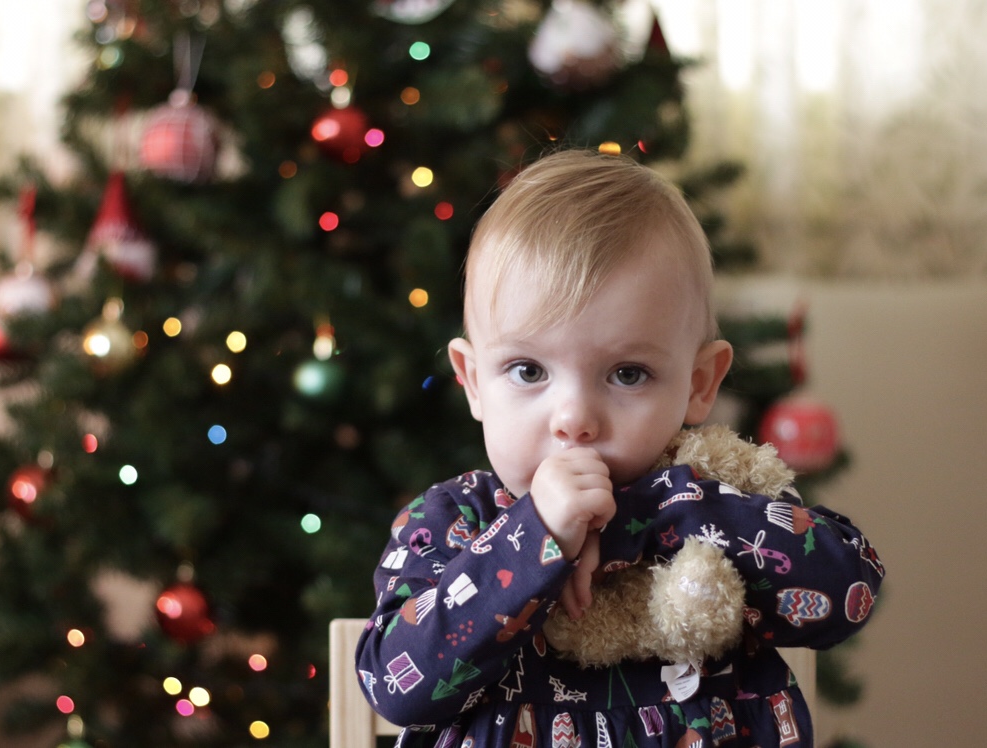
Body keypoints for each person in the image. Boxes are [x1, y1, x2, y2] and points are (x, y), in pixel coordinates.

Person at [355, 149, 884, 747]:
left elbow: (850, 588)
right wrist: (536, 535)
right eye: (528, 370)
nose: (574, 419)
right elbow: (394, 685)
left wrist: (640, 518)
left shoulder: (716, 500)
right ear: (473, 380)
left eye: (627, 374)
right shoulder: (452, 523)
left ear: (698, 384)